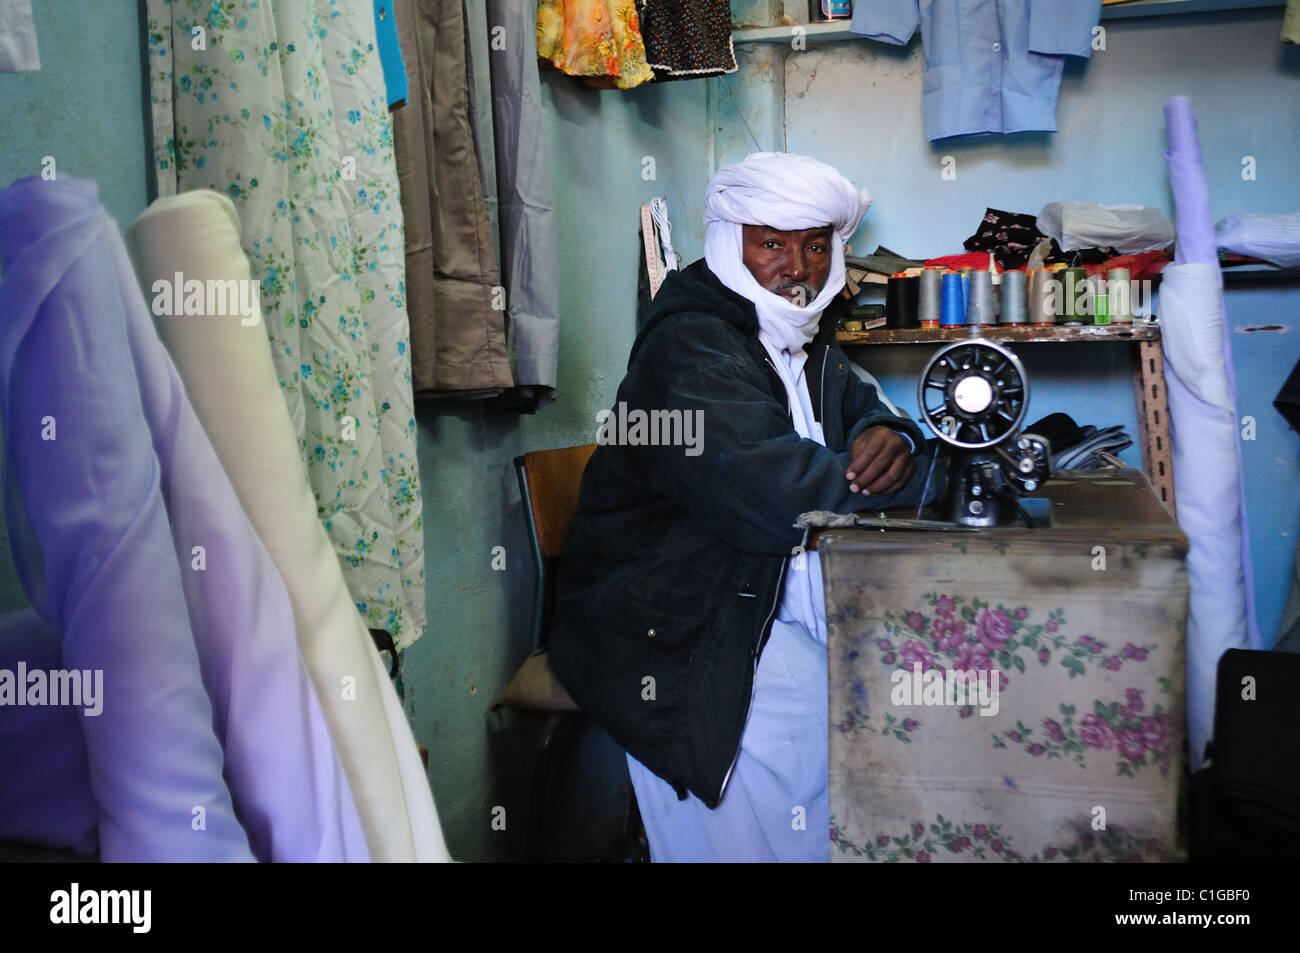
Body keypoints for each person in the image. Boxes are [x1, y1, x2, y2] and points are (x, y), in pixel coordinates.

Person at [549, 152, 932, 862]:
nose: (800, 268)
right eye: (773, 244)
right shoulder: (693, 344)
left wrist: (895, 438)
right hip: (657, 611)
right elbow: (779, 495)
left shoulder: (800, 336)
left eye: (817, 245)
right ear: (731, 242)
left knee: (881, 692)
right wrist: (915, 476)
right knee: (818, 720)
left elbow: (869, 419)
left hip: (735, 585)